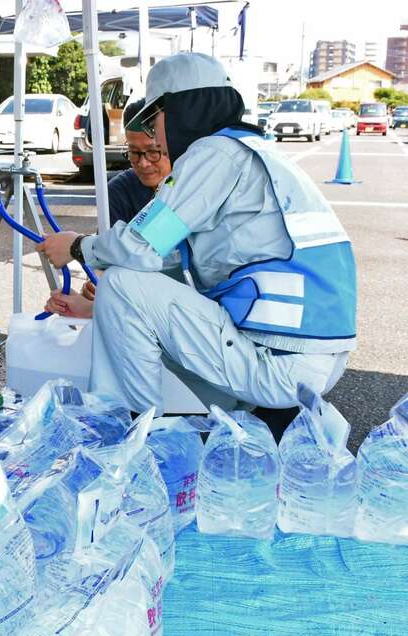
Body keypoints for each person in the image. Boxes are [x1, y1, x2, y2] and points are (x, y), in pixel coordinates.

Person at [37, 52, 356, 418]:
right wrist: (98, 311)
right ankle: (223, 420)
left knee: (120, 283)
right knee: (126, 290)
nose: (155, 131)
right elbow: (170, 264)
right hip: (309, 360)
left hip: (280, 364)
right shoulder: (255, 151)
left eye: (155, 117)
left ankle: (131, 433)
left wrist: (77, 247)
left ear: (182, 109)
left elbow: (141, 247)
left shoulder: (214, 153)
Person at [48, 97, 171, 318]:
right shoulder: (119, 190)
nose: (143, 163)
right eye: (133, 152)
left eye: (153, 151)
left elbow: (151, 255)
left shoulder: (187, 191)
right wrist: (95, 284)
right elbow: (105, 260)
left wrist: (77, 246)